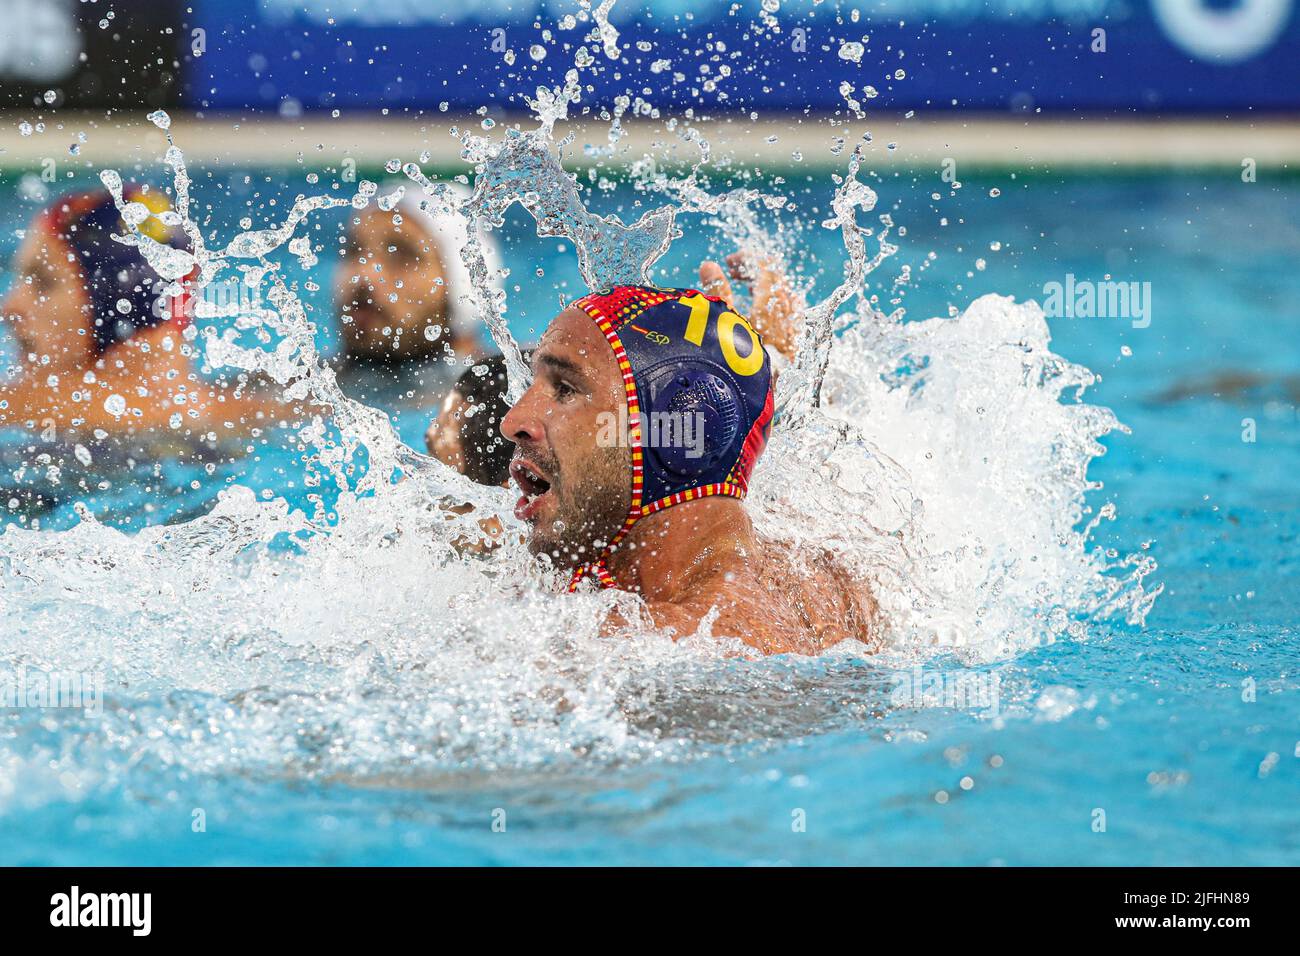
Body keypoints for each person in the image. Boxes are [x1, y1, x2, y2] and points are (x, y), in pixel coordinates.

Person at [499, 282, 877, 655]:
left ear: (680, 432)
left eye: (565, 389)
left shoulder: (674, 646)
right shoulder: (829, 579)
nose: (513, 420)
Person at [0, 187, 263, 435]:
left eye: (43, 283)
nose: (8, 308)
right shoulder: (255, 410)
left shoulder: (35, 413)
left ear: (119, 296)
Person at [332, 186, 502, 411]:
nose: (364, 275)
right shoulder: (292, 392)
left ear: (460, 287)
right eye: (354, 251)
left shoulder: (500, 396)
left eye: (401, 254)